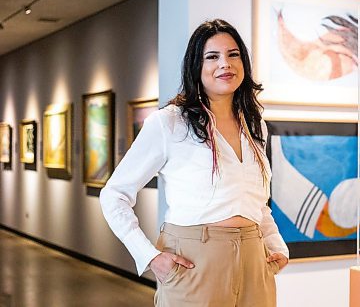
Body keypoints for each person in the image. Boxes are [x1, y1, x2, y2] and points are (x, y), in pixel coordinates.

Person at [99, 19, 289, 307]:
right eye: (212, 57)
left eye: (233, 54)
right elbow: (114, 194)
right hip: (194, 263)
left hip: (255, 261)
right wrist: (149, 256)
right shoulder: (170, 123)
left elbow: (256, 202)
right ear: (195, 67)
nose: (224, 64)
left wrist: (276, 245)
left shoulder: (255, 125)